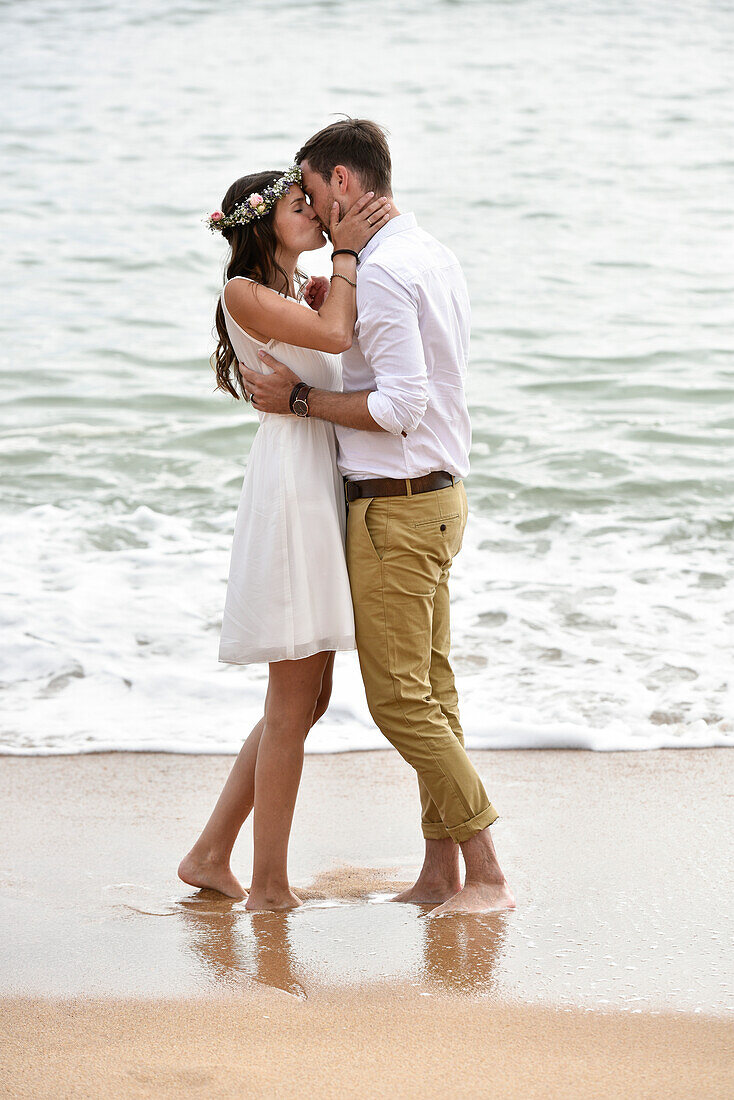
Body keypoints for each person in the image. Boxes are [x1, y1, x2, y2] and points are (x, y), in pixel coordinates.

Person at [239, 119, 515, 914]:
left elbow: (400, 404)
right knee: (431, 689)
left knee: (399, 701)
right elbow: (409, 371)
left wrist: (299, 398)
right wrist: (341, 316)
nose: (317, 212)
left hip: (397, 511)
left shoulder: (387, 272)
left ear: (344, 184)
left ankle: (488, 870)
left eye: (316, 194)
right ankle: (441, 872)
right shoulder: (430, 253)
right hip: (433, 500)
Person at [178, 165, 392, 910]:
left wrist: (336, 273)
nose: (318, 214)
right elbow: (334, 336)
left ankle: (211, 852)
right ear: (263, 221)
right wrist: (349, 253)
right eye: (304, 206)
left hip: (313, 474)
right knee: (292, 699)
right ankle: (267, 884)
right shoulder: (246, 293)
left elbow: (334, 341)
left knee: (305, 696)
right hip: (293, 487)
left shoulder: (287, 294)